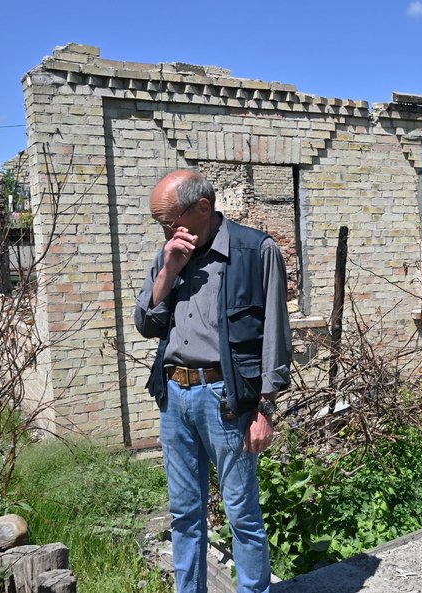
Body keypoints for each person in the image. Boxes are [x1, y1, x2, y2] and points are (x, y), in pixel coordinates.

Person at [134, 170, 292, 593]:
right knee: (184, 513)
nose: (167, 231)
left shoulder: (255, 250)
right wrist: (168, 270)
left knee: (242, 514)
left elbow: (276, 335)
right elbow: (145, 325)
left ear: (203, 208)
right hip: (174, 396)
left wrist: (265, 409)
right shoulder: (169, 254)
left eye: (170, 221)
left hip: (226, 399)